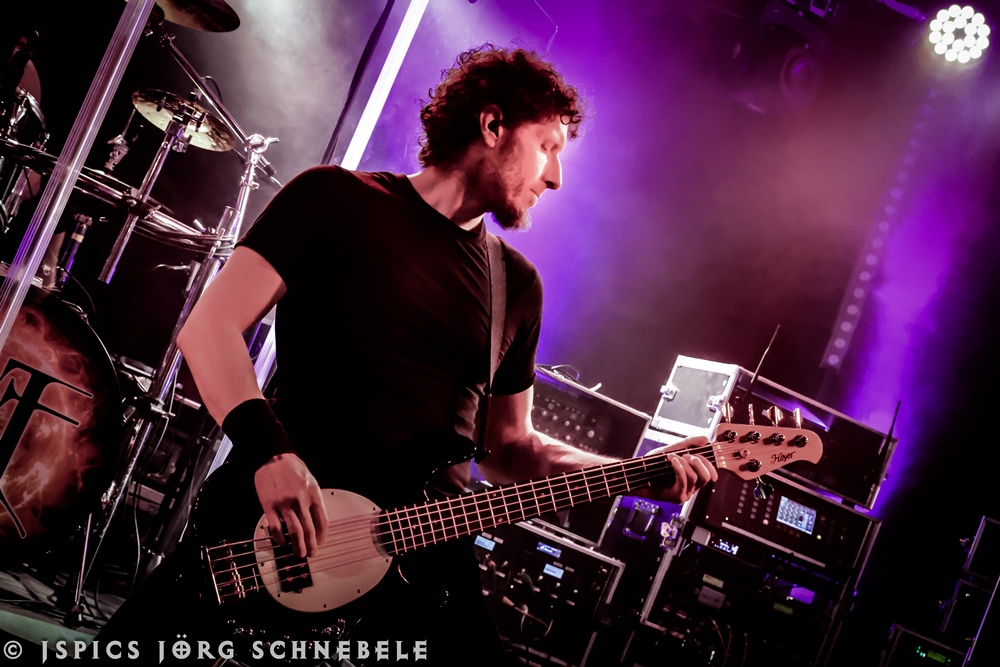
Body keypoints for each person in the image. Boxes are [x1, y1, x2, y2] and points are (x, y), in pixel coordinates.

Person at [96, 44, 718, 666]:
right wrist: (269, 455)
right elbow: (210, 328)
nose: (555, 176)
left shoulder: (516, 285)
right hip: (284, 532)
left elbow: (509, 451)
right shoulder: (334, 199)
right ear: (492, 125)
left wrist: (636, 472)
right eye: (547, 146)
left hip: (422, 560)